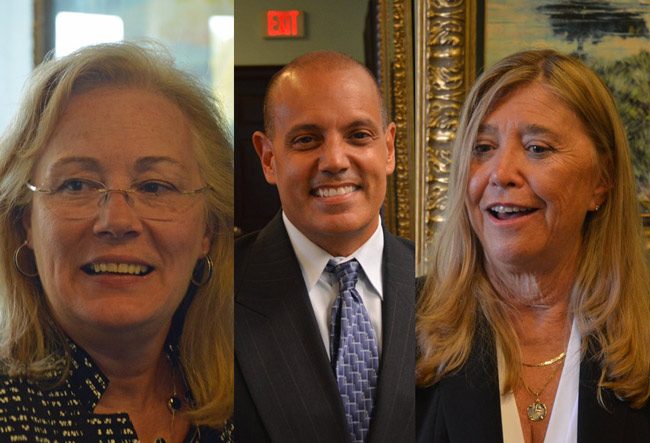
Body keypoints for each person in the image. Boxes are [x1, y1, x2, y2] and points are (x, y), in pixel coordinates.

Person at [0, 42, 233, 442]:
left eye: (156, 187)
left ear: (207, 231)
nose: (117, 221)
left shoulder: (246, 397)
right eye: (76, 184)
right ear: (26, 225)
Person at [416, 49, 650, 442]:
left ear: (602, 180)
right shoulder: (397, 325)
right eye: (483, 148)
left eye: (537, 148)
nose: (501, 173)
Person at [235, 51, 415, 442]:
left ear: (388, 148)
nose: (334, 160)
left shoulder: (447, 285)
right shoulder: (215, 292)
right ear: (268, 158)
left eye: (358, 136)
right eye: (306, 139)